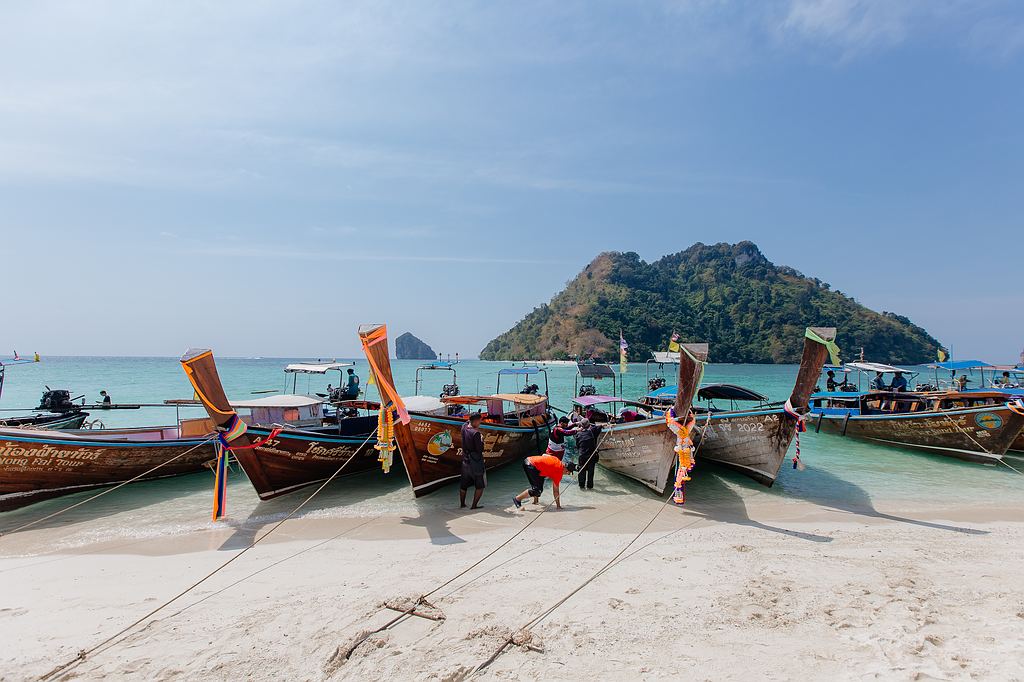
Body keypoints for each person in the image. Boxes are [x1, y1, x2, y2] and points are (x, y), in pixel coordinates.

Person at [459, 412, 486, 509]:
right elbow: (479, 449)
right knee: (480, 485)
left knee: (464, 484)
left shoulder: (464, 427)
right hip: (475, 462)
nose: (480, 423)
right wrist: (482, 440)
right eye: (479, 421)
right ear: (475, 421)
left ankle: (462, 504)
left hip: (465, 460)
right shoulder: (476, 433)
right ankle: (474, 505)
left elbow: (466, 422)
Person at [575, 418, 602, 490]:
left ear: (581, 425)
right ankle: (590, 487)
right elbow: (599, 427)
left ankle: (581, 487)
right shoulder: (593, 431)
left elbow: (577, 445)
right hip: (591, 456)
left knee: (581, 471)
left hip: (582, 455)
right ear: (589, 425)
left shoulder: (578, 434)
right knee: (590, 472)